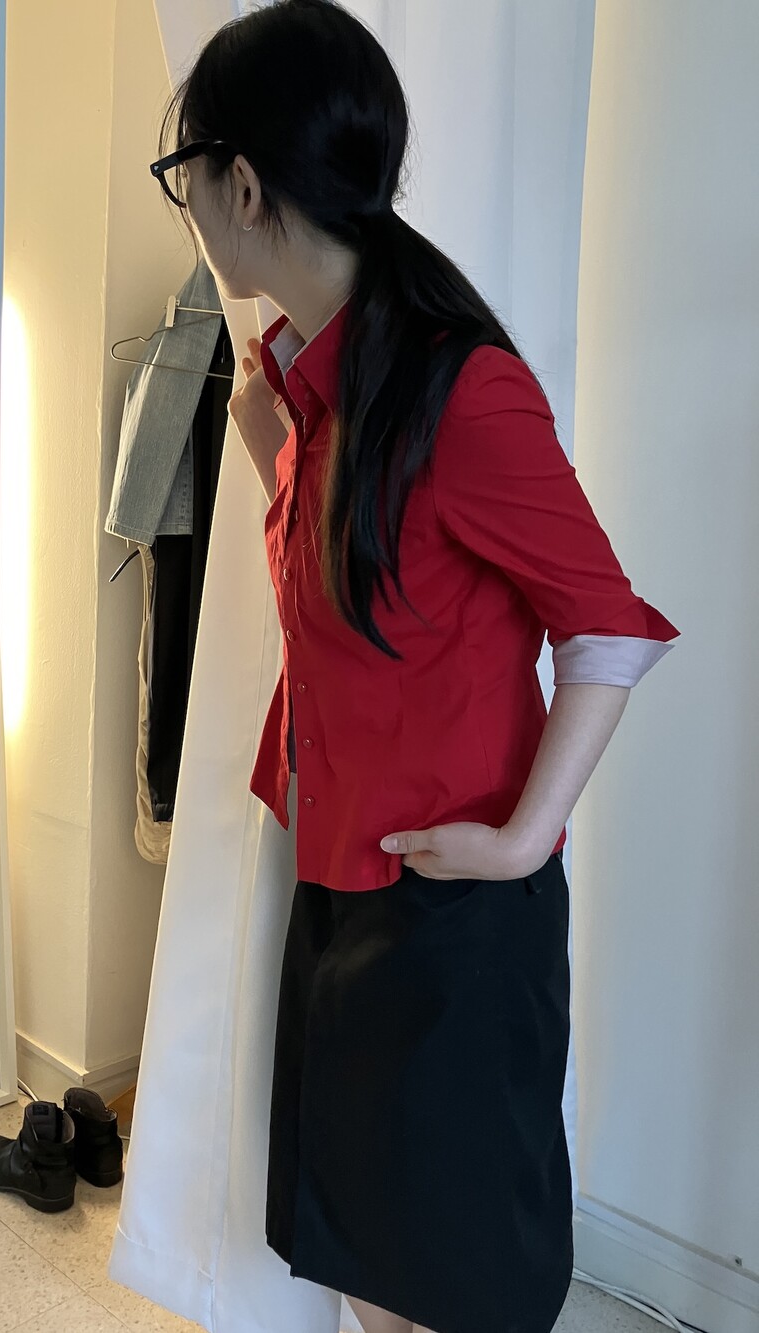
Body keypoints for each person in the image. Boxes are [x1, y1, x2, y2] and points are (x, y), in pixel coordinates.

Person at [148, 3, 680, 1331]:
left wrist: (523, 838)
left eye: (183, 174)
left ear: (244, 185)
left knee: (454, 1281)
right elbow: (370, 586)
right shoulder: (319, 388)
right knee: (370, 1259)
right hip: (345, 890)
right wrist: (273, 442)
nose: (186, 203)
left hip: (452, 915)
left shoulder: (462, 389)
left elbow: (605, 626)